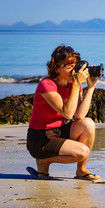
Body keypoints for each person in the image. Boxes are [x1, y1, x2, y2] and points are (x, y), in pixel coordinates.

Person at [26, 45, 100, 180]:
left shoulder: (72, 85)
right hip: (40, 138)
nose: (74, 71)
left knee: (88, 123)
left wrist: (91, 87)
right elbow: (67, 113)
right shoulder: (46, 84)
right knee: (83, 152)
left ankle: (81, 170)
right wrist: (77, 84)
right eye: (68, 66)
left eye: (75, 65)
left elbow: (79, 115)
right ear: (56, 68)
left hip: (59, 131)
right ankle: (44, 160)